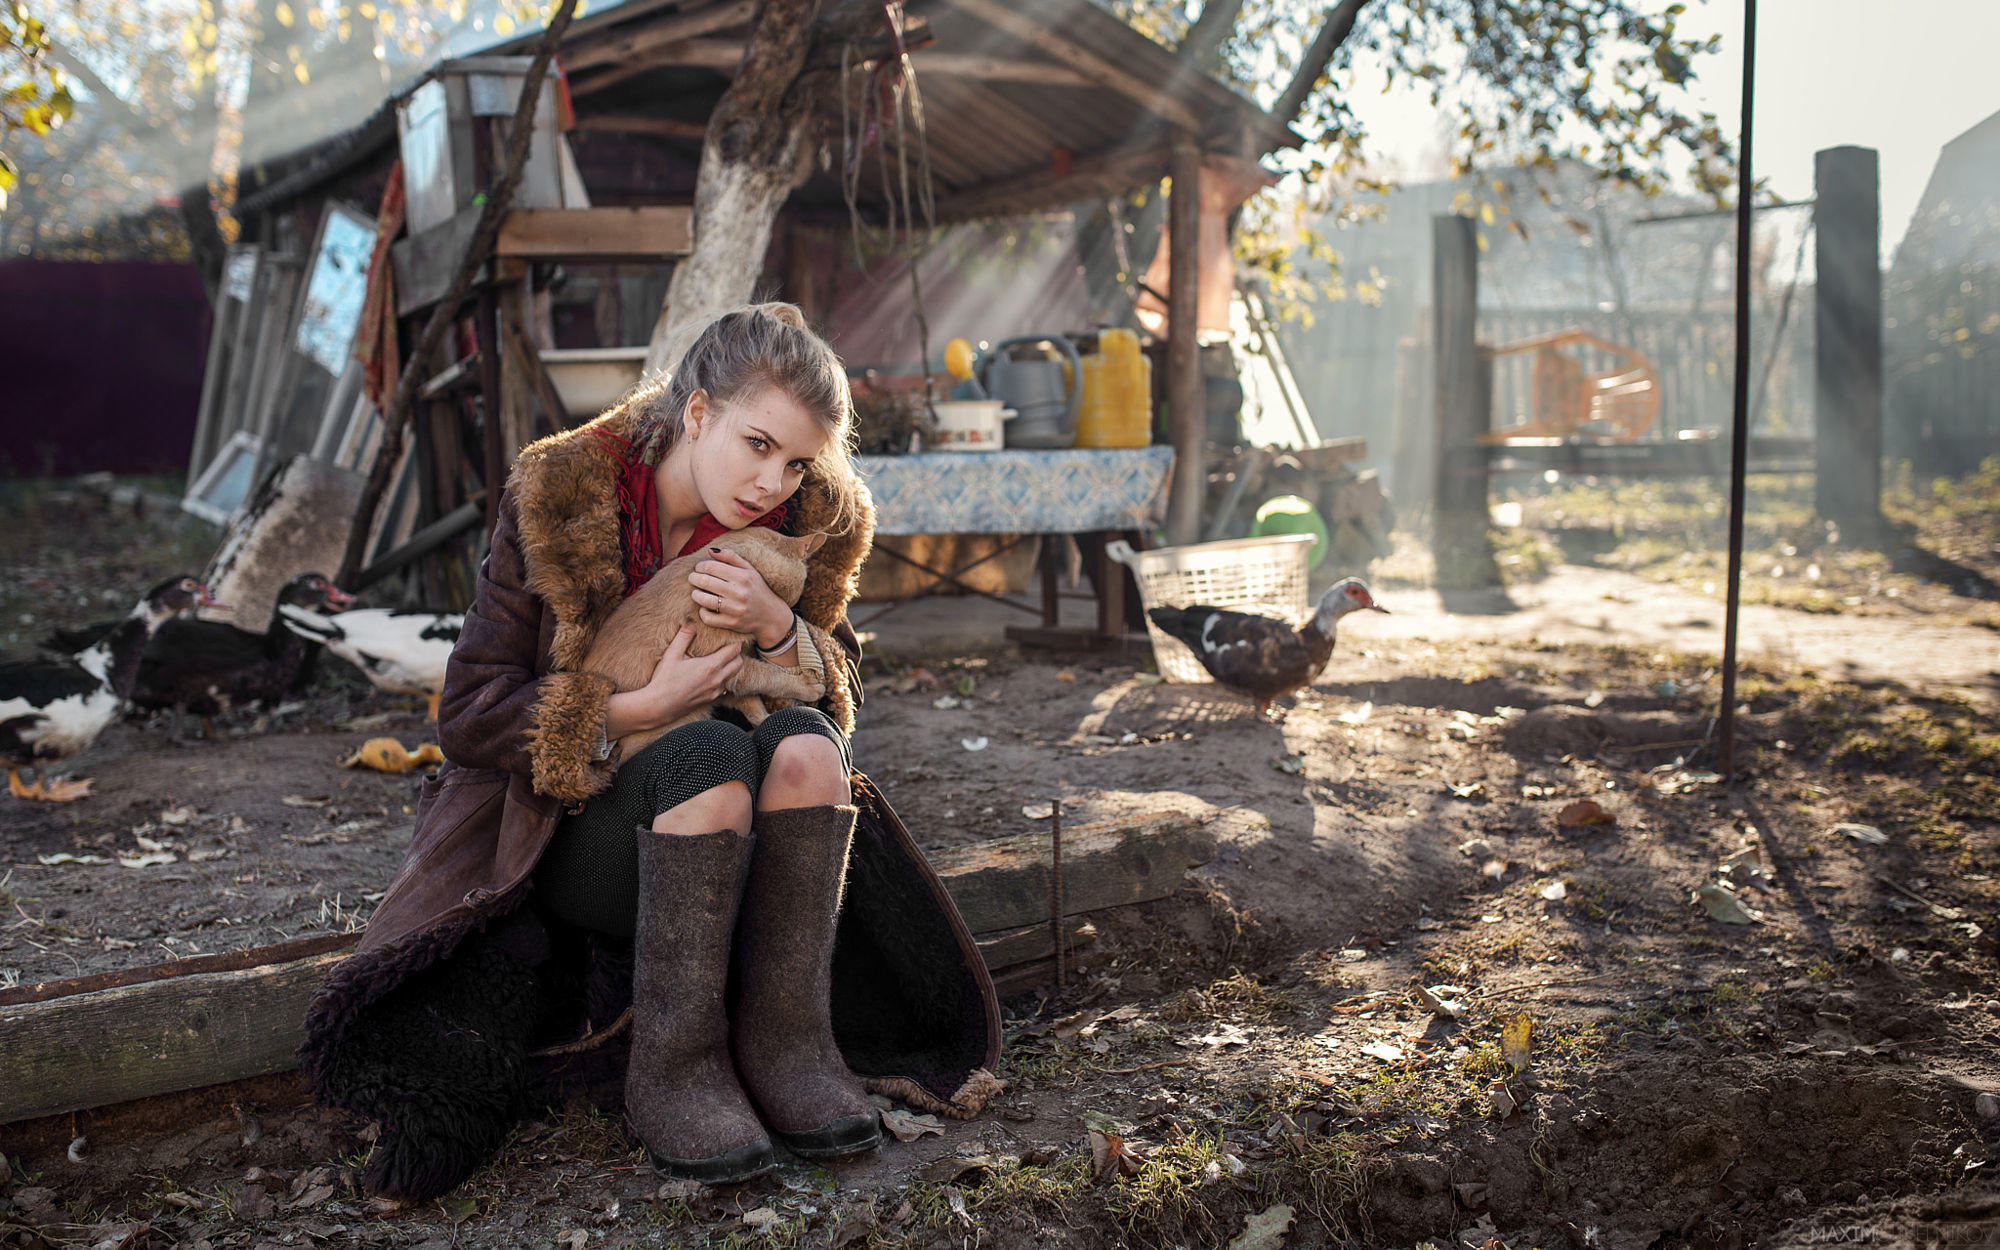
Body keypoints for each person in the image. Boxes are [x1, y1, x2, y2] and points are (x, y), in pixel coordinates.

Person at [299, 303, 1002, 1202]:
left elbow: (842, 686)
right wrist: (634, 707)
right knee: (704, 749)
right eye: (755, 444)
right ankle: (677, 1068)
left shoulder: (800, 525)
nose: (770, 484)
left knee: (810, 747)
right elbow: (469, 716)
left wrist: (780, 624)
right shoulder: (561, 503)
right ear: (697, 413)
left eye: (794, 462)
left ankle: (788, 1040)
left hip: (750, 853)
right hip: (584, 838)